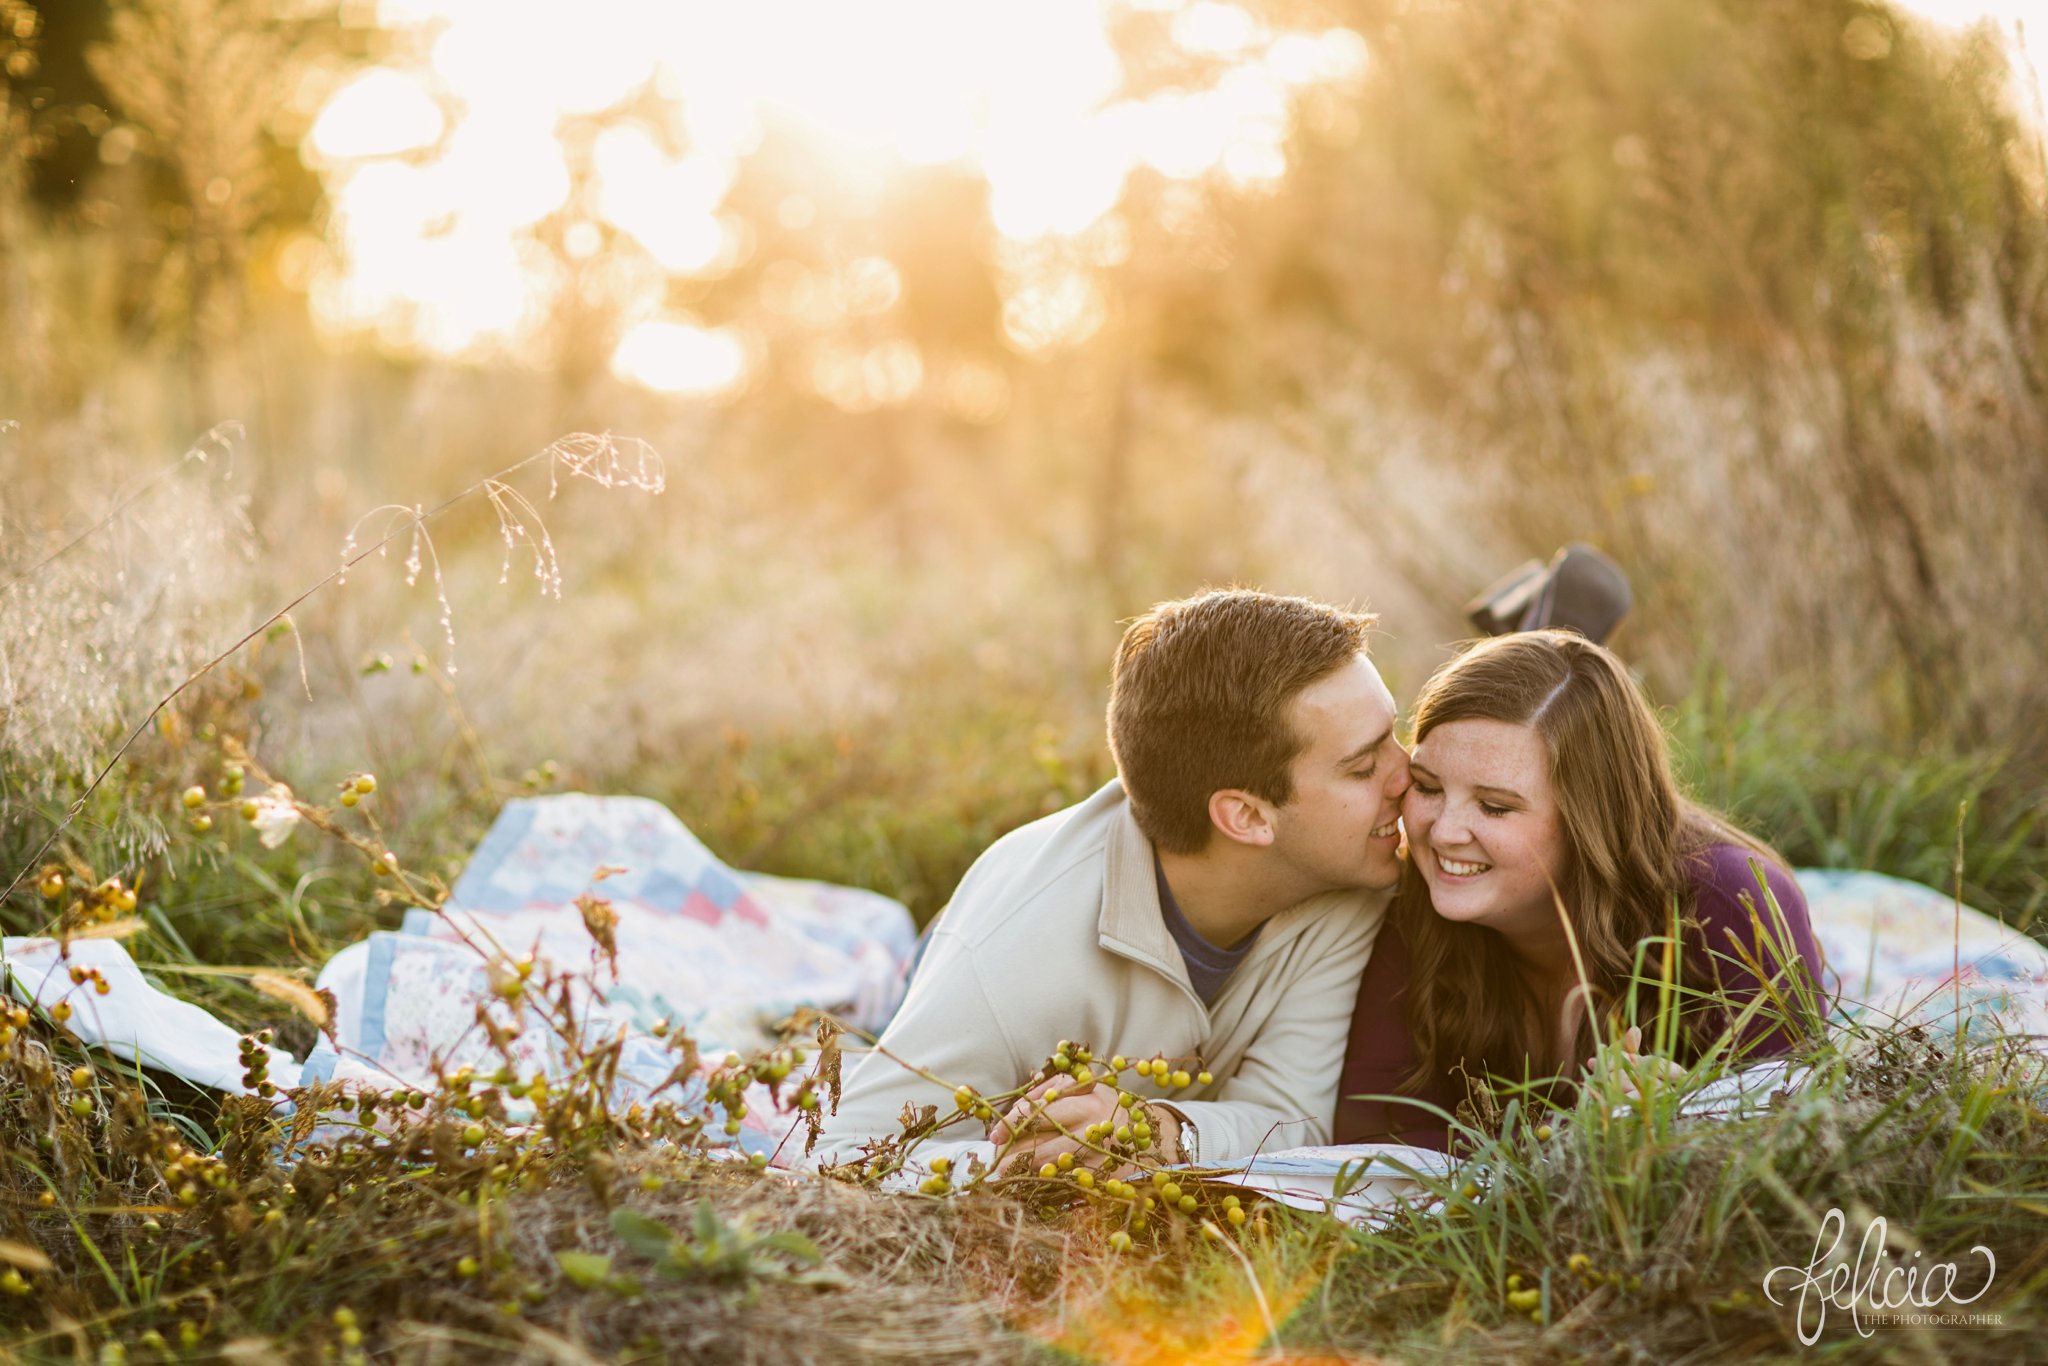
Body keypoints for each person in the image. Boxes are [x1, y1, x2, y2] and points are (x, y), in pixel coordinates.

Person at [812, 589, 1412, 1170]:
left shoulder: (1345, 880)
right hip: (970, 957)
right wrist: (1036, 1159)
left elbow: (1293, 1120)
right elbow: (842, 1153)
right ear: (1247, 816)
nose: (1409, 774)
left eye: (1394, 735)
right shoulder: (1015, 959)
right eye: (1364, 767)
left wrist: (1155, 1132)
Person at [1336, 630, 1829, 1150]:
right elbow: (1370, 1132)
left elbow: (1795, 1135)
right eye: (1429, 787)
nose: (1442, 832)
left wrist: (1693, 1120)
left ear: (1590, 818)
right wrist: (1563, 1147)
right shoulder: (1412, 903)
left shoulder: (1734, 904)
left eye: (1495, 806)